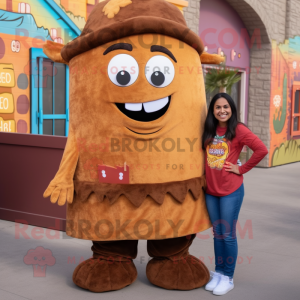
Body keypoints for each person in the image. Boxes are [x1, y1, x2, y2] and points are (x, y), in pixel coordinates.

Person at [202, 93, 268, 295]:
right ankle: (220, 273)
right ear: (212, 111)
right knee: (217, 233)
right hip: (211, 191)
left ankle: (228, 277)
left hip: (231, 190)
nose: (222, 110)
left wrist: (242, 168)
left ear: (232, 109)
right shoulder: (209, 129)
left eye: (226, 107)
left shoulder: (238, 129)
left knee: (228, 235)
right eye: (217, 107)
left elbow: (261, 150)